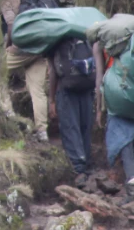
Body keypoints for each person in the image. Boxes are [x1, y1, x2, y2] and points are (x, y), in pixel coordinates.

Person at [92, 41, 134, 205]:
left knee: (124, 143)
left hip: (119, 101)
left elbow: (100, 78)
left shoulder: (101, 45)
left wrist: (99, 109)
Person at [1, 0, 50, 143]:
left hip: (22, 49)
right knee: (37, 90)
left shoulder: (7, 0)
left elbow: (11, 26)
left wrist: (8, 46)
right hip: (40, 48)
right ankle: (42, 132)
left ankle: (8, 113)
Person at [48, 35, 96, 185]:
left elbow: (53, 72)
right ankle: (86, 164)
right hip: (87, 88)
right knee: (85, 126)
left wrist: (52, 100)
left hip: (66, 90)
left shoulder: (56, 41)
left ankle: (78, 169)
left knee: (70, 127)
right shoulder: (86, 39)